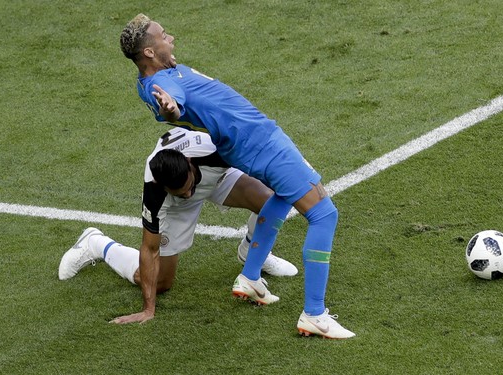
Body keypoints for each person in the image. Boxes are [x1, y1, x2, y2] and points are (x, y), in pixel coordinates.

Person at [119, 14, 355, 339]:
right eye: (163, 36)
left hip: (249, 142)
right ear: (148, 52)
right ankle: (314, 313)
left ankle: (250, 276)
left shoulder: (163, 72)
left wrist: (171, 97)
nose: (171, 38)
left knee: (284, 197)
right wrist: (171, 108)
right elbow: (171, 107)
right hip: (259, 143)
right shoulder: (162, 85)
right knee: (324, 214)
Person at [59, 127, 298, 323]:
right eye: (180, 191)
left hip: (216, 176)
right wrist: (148, 310)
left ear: (190, 162)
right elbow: (149, 249)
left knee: (272, 202)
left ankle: (253, 253)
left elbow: (261, 151)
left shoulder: (214, 149)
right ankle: (97, 243)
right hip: (176, 207)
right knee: (161, 282)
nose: (188, 194)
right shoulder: (155, 194)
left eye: (188, 188)